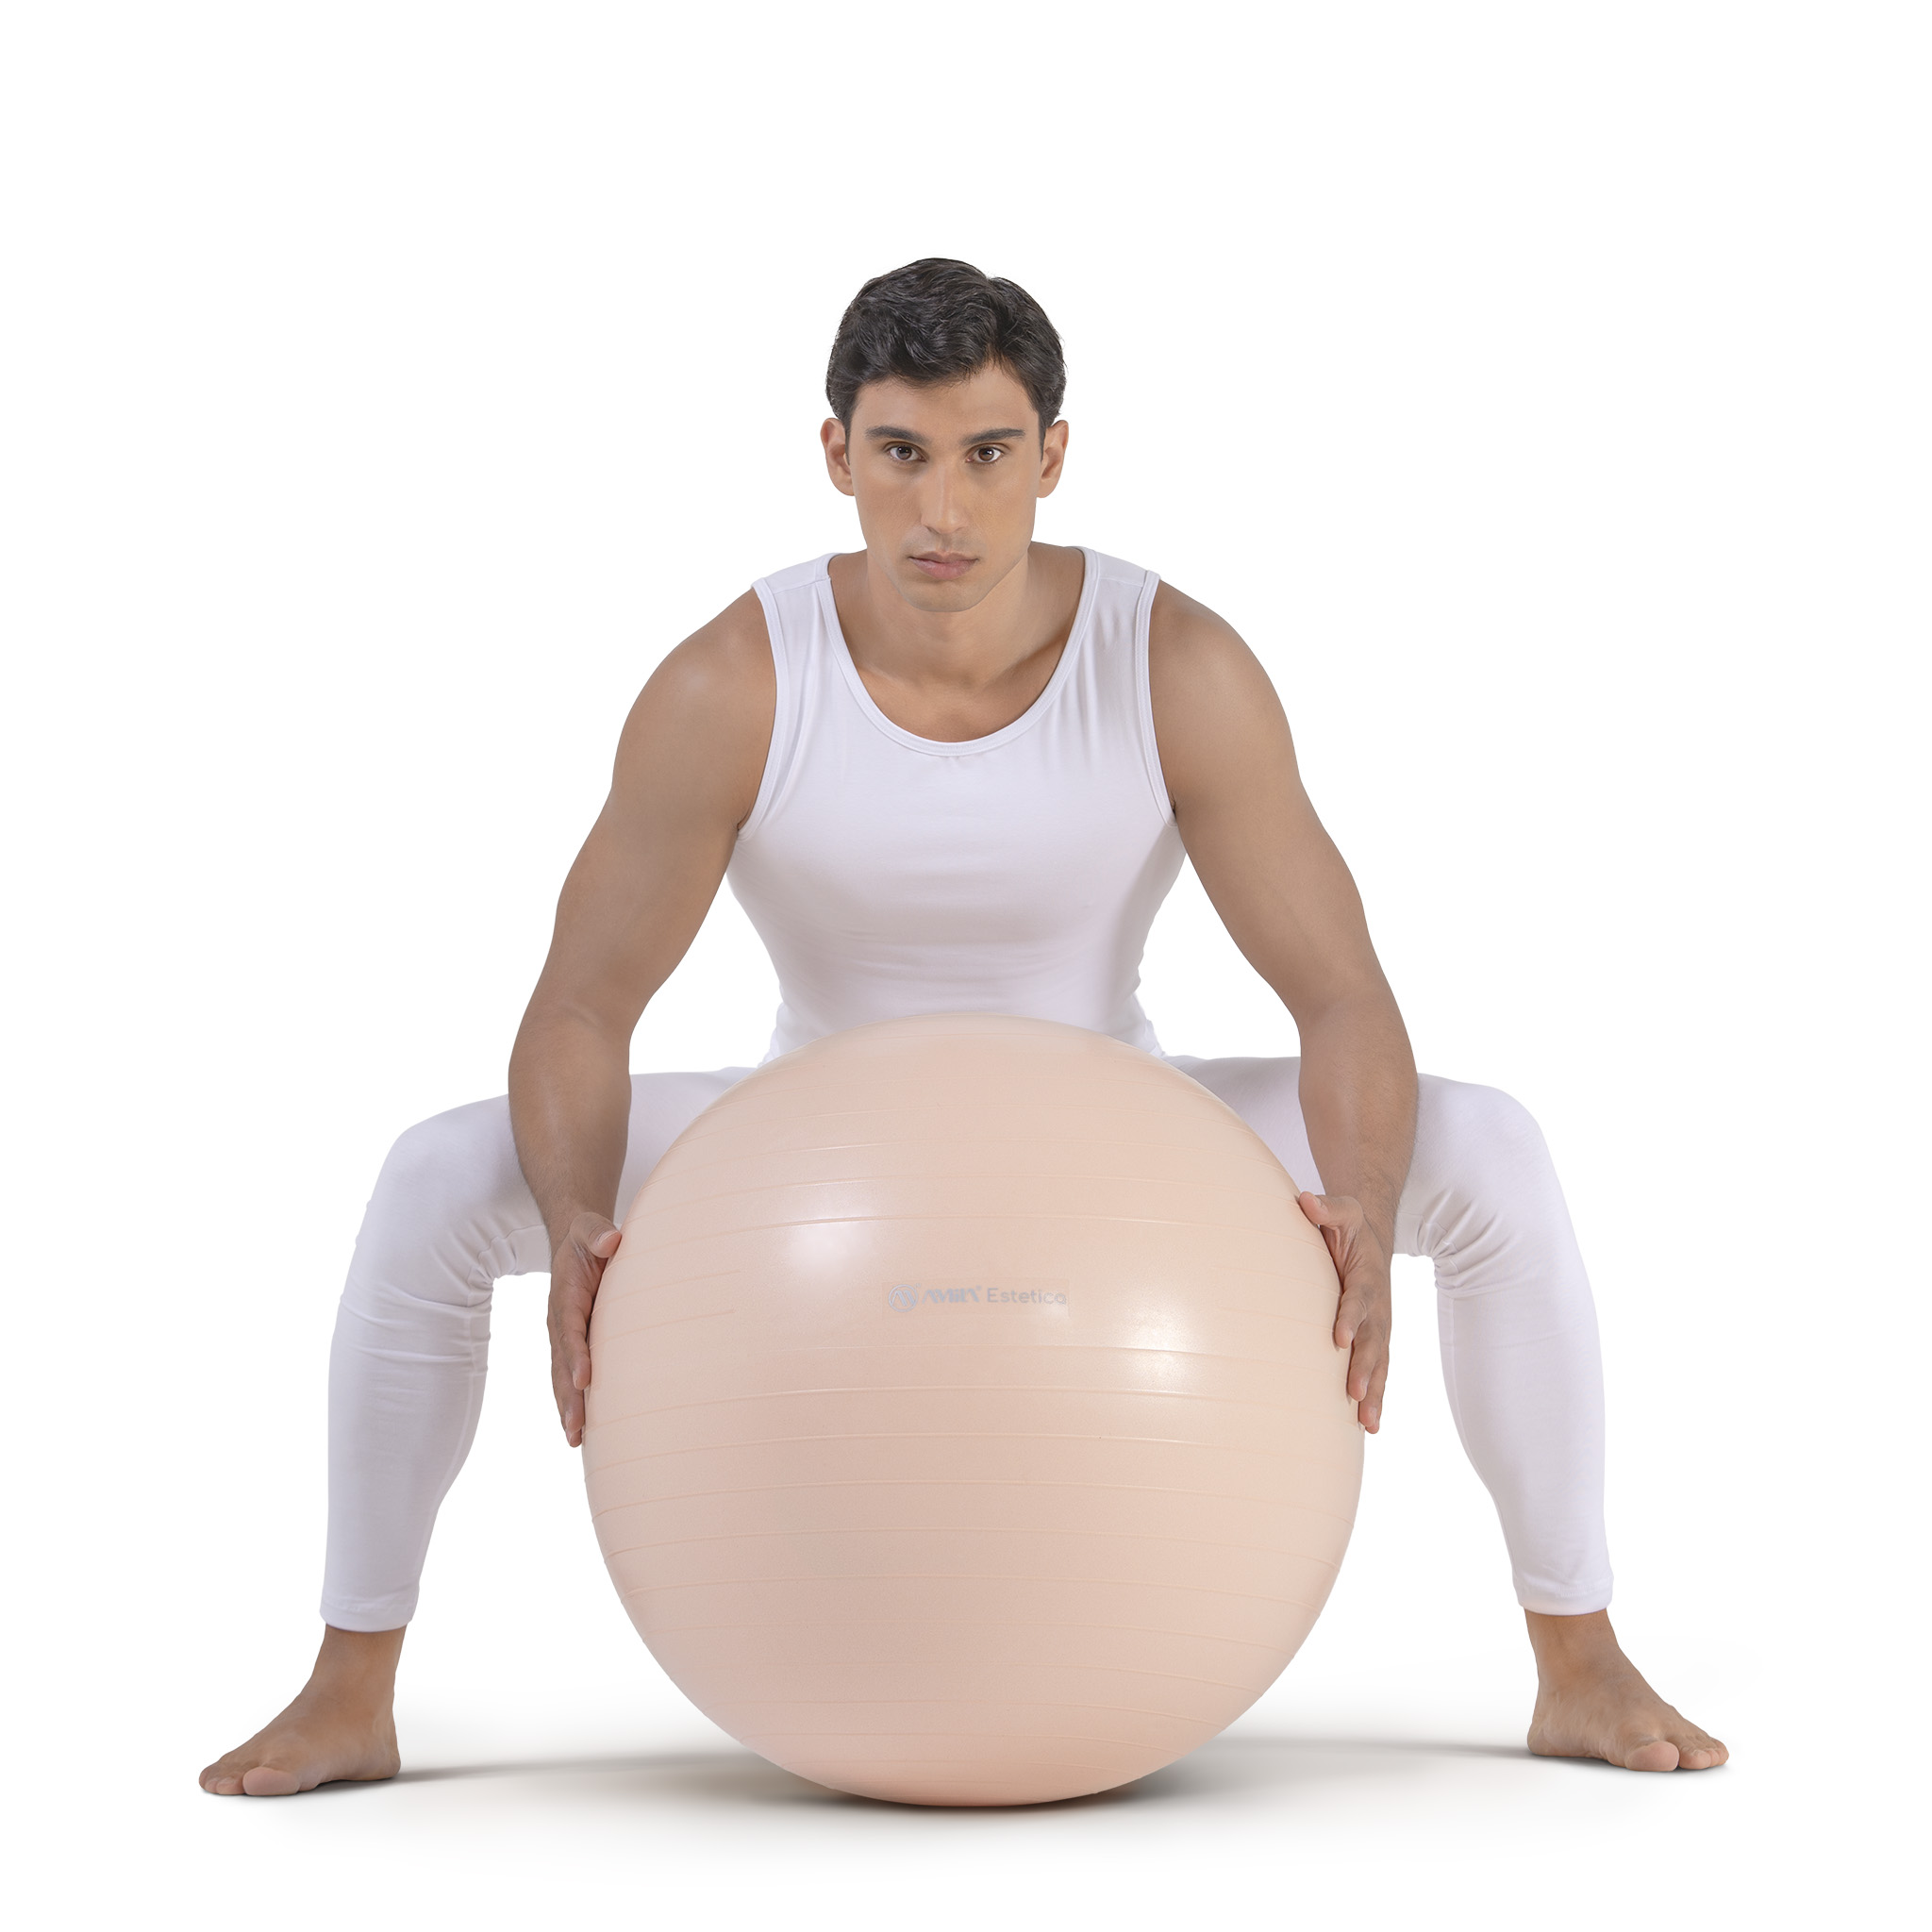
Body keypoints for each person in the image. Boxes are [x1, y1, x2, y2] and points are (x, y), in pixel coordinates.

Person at [201, 258, 1725, 1797]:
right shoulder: (735, 681)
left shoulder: (1173, 665)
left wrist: (1372, 1208)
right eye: (902, 453)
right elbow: (582, 1005)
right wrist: (578, 1217)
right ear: (836, 454)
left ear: (1052, 456)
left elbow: (1339, 994)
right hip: (804, 1142)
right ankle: (351, 1688)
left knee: (1494, 1151)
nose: (944, 509)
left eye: (988, 454)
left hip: (1123, 1122)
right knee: (433, 1180)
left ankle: (1578, 1660)